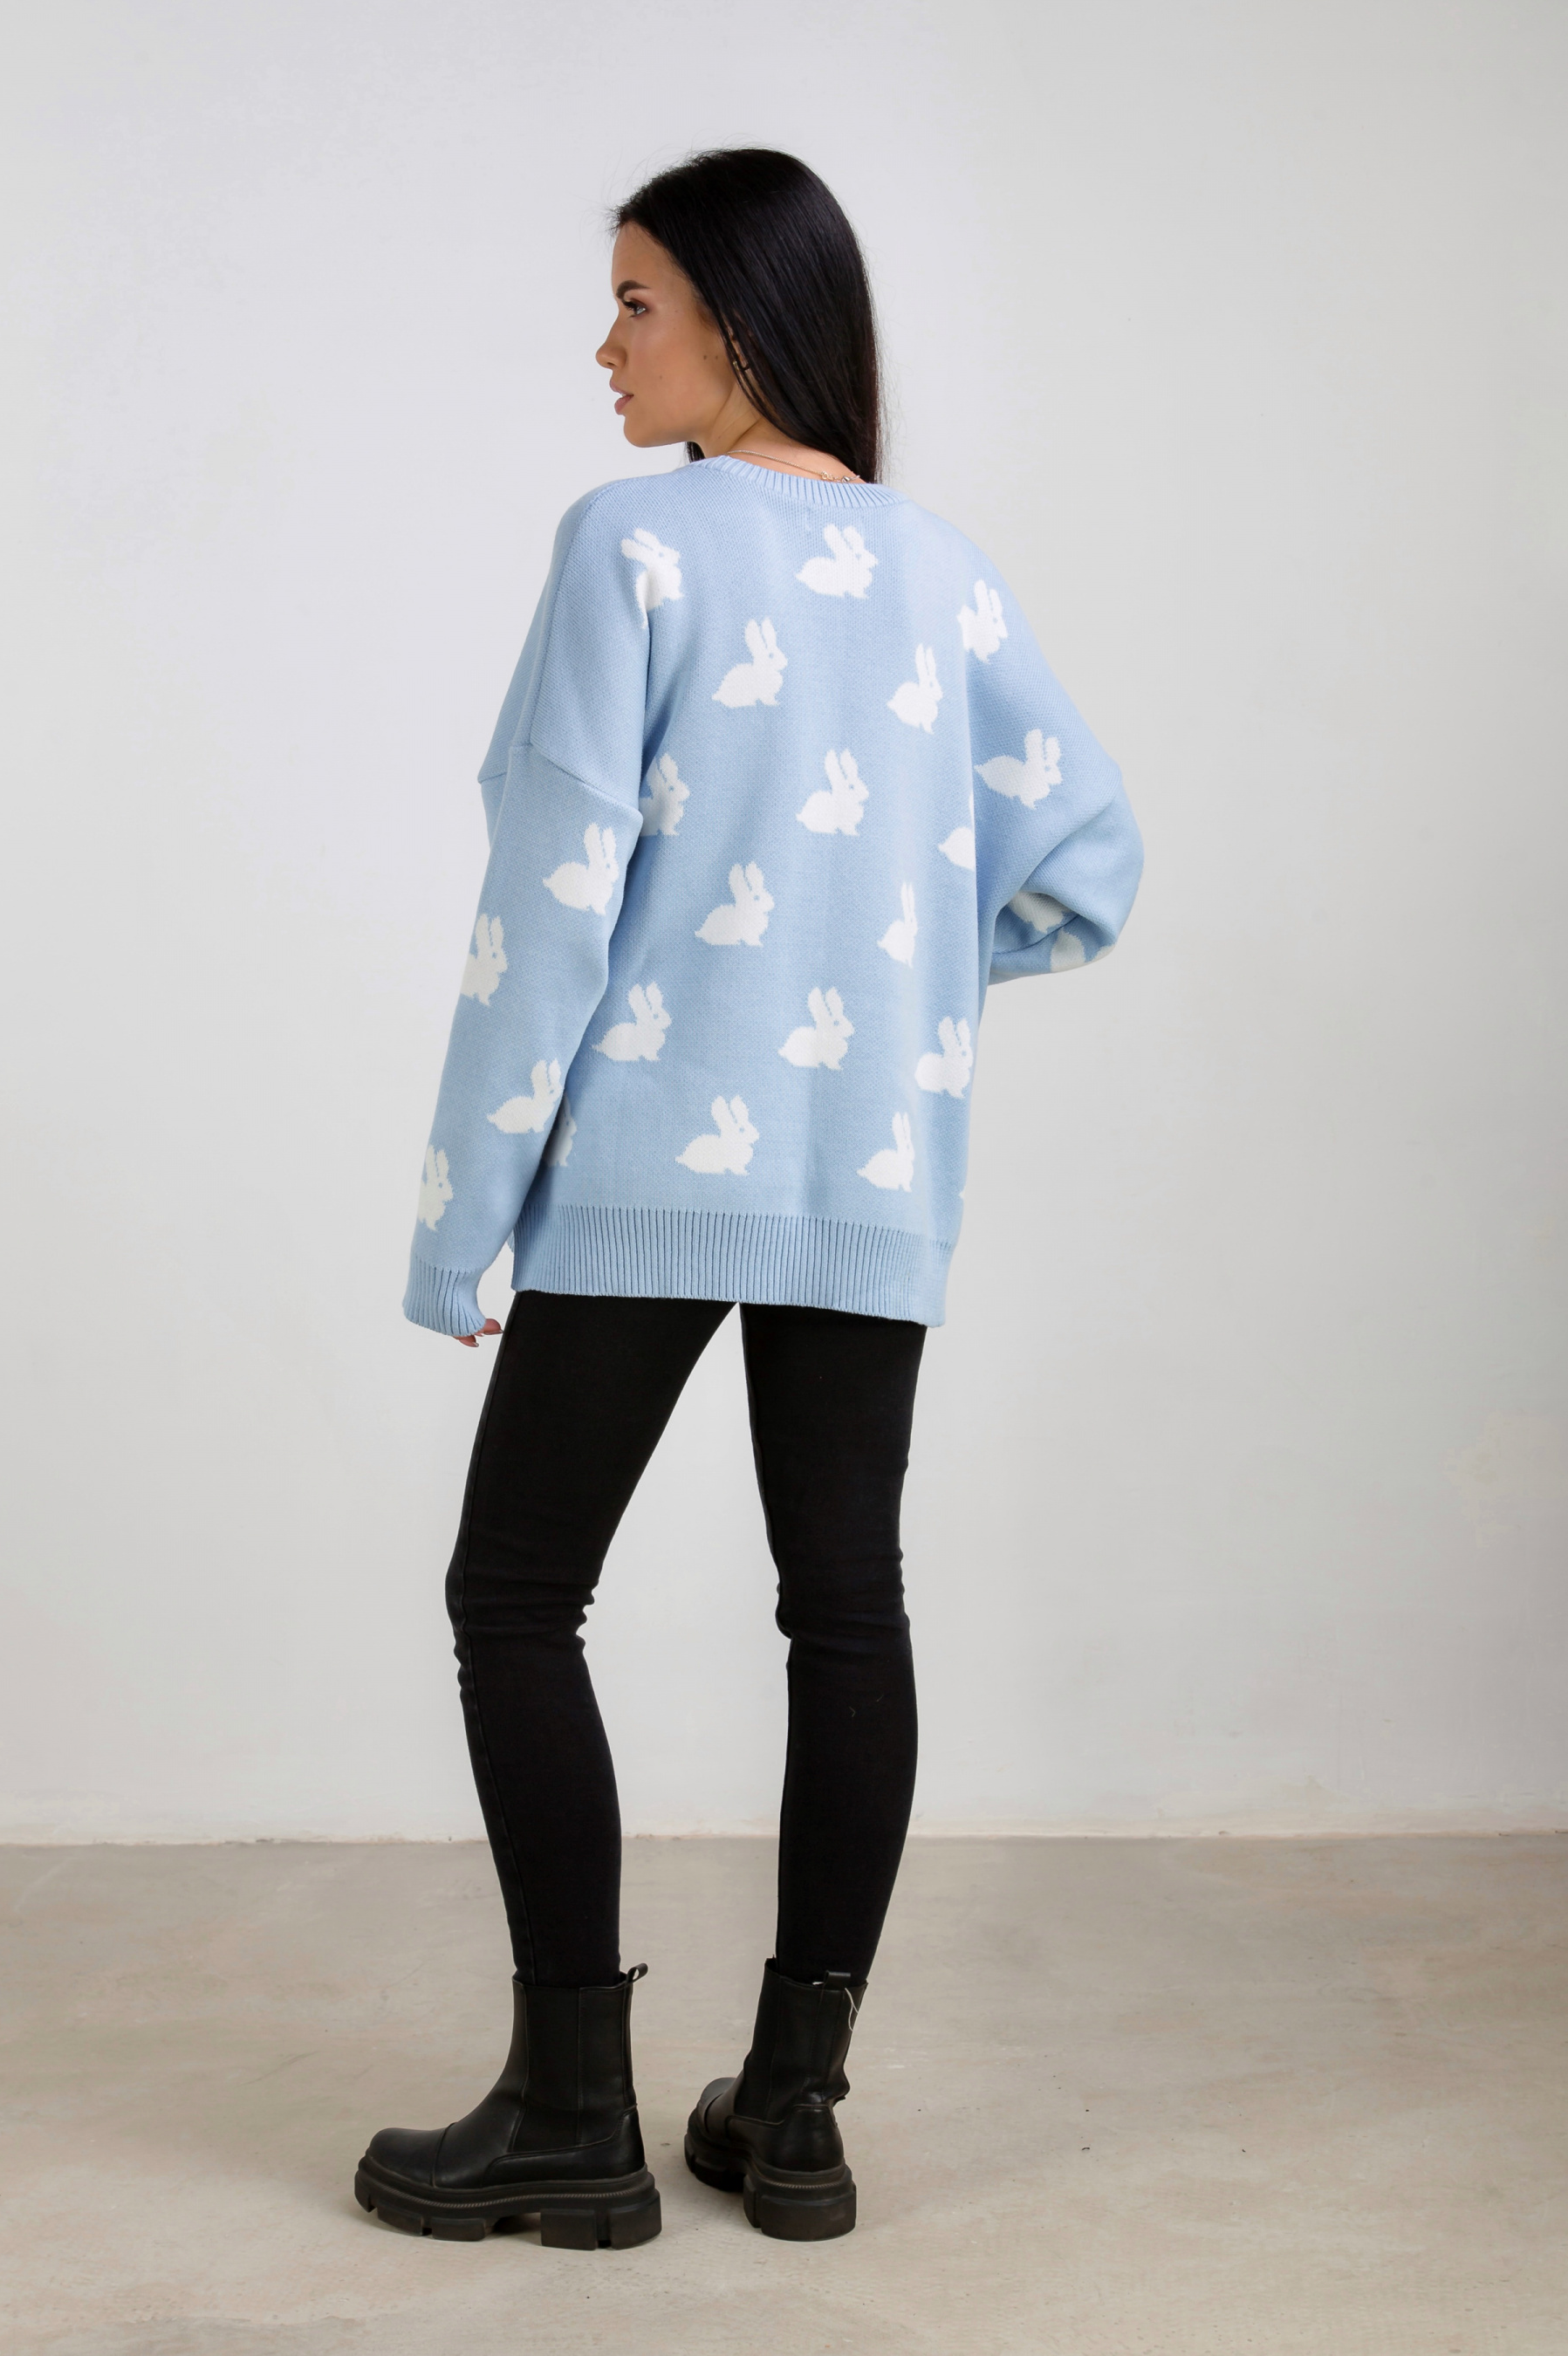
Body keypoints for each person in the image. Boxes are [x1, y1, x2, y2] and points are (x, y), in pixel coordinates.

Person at [354, 147, 1143, 2251]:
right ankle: (794, 2121)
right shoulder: (942, 574)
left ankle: (570, 2115)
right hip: (867, 1185)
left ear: (735, 314)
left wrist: (463, 1215)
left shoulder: (628, 545)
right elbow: (1085, 863)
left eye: (634, 302)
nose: (602, 346)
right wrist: (882, 995)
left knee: (513, 1600)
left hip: (639, 1169)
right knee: (845, 1609)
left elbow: (549, 902)